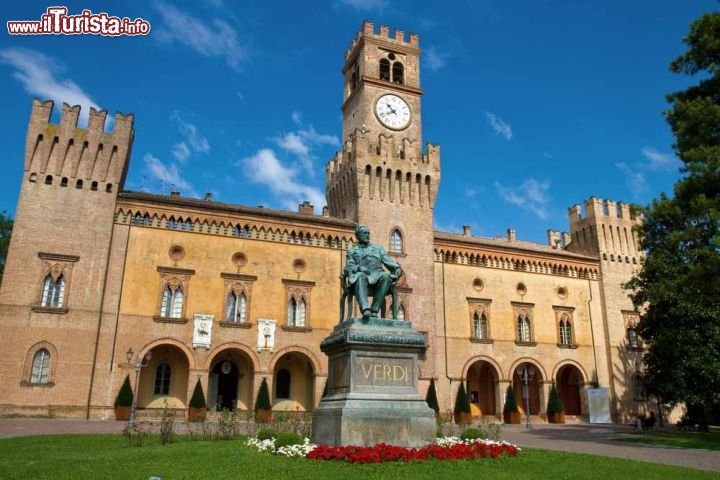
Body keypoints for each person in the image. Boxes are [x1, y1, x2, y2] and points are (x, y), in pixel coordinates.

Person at [344, 225, 402, 320]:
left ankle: (374, 310)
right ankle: (365, 309)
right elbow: (349, 266)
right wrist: (358, 267)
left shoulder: (378, 249)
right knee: (360, 276)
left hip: (378, 275)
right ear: (358, 236)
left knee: (386, 277)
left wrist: (397, 269)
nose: (367, 235)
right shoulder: (352, 251)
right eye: (364, 233)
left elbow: (388, 261)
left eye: (368, 233)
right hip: (362, 276)